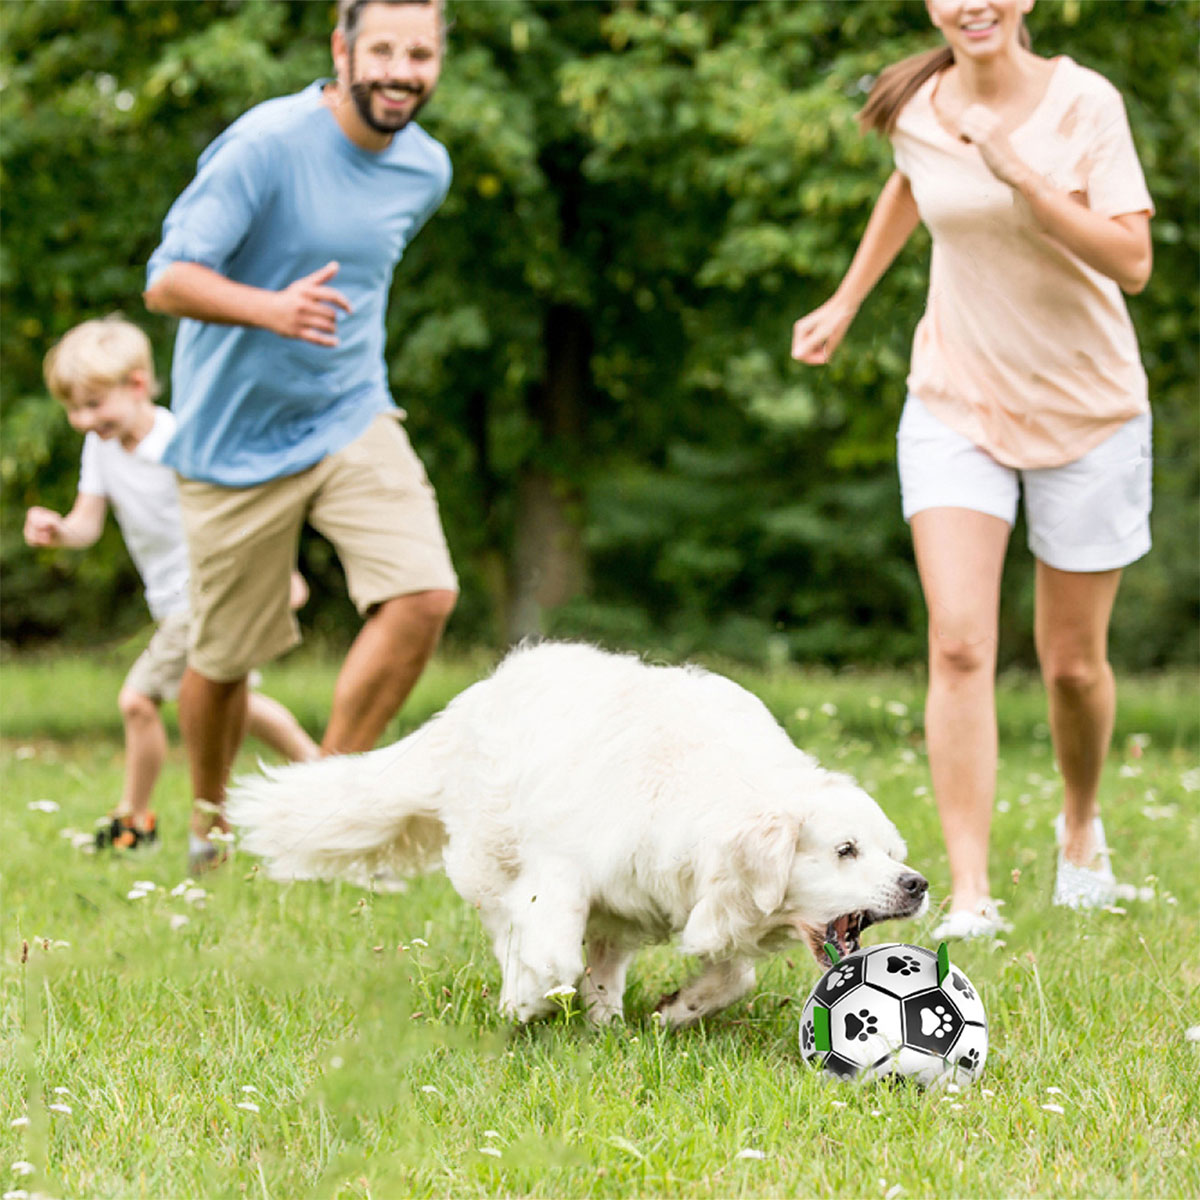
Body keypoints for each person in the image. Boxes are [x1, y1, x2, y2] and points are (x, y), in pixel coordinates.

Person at [790, 0, 1153, 938]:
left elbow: (1134, 258)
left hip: (1090, 410)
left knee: (1072, 665)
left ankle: (1081, 830)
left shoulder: (1084, 104)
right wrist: (846, 300)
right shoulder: (919, 104)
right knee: (958, 642)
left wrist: (1021, 172)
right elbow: (911, 184)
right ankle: (971, 894)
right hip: (957, 400)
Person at [142, 0, 458, 873]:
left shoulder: (426, 169)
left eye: (421, 53)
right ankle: (210, 827)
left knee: (424, 596)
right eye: (384, 49)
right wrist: (271, 308)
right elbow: (166, 280)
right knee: (223, 659)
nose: (402, 70)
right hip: (231, 439)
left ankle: (321, 804)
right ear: (342, 49)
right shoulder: (266, 145)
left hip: (352, 411)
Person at [25, 315, 320, 855]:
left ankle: (135, 823)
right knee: (236, 701)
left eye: (93, 404)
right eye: (72, 408)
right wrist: (60, 530)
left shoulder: (181, 441)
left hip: (207, 591)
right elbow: (88, 524)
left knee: (138, 700)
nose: (82, 420)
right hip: (168, 601)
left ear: (137, 385)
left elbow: (241, 513)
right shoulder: (102, 448)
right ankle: (325, 774)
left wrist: (281, 576)